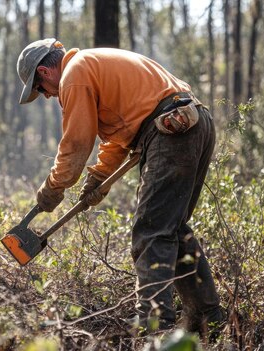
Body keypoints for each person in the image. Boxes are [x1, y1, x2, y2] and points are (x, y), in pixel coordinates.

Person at [16, 38, 225, 339]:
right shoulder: (91, 65)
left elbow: (76, 144)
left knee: (152, 231)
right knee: (172, 229)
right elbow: (116, 136)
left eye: (40, 90)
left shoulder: (75, 74)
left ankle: (155, 329)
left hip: (171, 129)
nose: (47, 97)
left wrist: (52, 189)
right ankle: (209, 322)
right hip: (192, 122)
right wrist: (99, 177)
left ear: (46, 73)